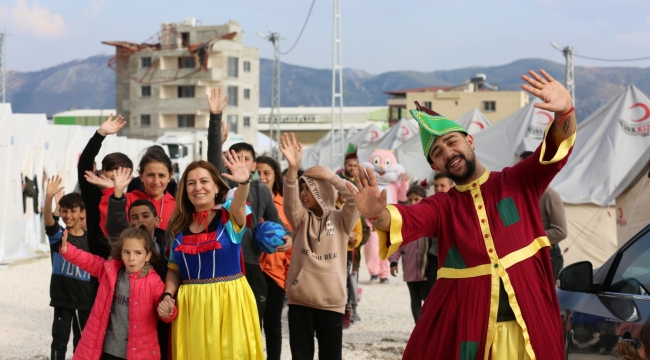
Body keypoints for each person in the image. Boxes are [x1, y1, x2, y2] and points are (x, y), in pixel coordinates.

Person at [346, 69, 577, 359]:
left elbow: (554, 151)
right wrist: (377, 215)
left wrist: (565, 111)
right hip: (477, 337)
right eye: (438, 152)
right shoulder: (443, 207)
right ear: (435, 167)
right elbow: (407, 219)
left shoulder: (518, 182)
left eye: (452, 142)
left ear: (470, 141)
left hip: (531, 330)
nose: (448, 152)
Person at [158, 156, 264, 359]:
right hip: (191, 307)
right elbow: (174, 270)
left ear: (216, 187)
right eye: (191, 183)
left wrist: (243, 183)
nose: (198, 187)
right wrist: (168, 296)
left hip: (229, 302)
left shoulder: (229, 216)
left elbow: (239, 204)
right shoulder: (177, 229)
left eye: (204, 181)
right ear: (185, 191)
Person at [206, 87, 292, 325]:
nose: (240, 163)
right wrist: (215, 119)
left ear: (254, 165)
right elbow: (212, 157)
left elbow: (276, 220)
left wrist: (289, 236)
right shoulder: (222, 185)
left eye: (245, 159)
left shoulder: (261, 190)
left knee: (253, 324)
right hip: (224, 260)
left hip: (253, 264)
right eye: (236, 158)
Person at [280, 133, 360, 360]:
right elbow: (289, 201)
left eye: (309, 189)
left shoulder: (342, 220)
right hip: (300, 301)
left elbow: (355, 200)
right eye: (302, 189)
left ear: (322, 192)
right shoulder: (300, 219)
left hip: (331, 304)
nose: (303, 194)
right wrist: (293, 170)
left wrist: (333, 178)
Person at [59, 227, 165, 360]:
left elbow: (165, 311)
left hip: (139, 353)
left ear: (148, 255)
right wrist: (68, 250)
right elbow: (89, 260)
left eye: (138, 253)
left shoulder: (154, 282)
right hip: (109, 349)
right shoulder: (110, 271)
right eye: (127, 252)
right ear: (121, 253)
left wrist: (168, 310)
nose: (131, 258)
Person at [105, 168, 170, 360]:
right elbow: (115, 225)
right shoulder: (124, 247)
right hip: (131, 324)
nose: (139, 221)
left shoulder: (168, 244)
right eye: (134, 217)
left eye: (145, 216)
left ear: (157, 220)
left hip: (161, 314)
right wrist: (118, 195)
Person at [43, 176, 92, 360]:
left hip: (84, 301)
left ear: (82, 213)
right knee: (59, 341)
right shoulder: (58, 236)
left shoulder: (92, 240)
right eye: (64, 211)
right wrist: (48, 198)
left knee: (82, 343)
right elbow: (48, 219)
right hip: (62, 299)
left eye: (73, 210)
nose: (68, 215)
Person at [78, 114, 132, 260]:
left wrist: (114, 192)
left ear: (130, 177)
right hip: (99, 264)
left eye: (122, 172)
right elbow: (84, 165)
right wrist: (100, 134)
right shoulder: (93, 194)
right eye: (112, 172)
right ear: (101, 173)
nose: (117, 177)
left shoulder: (134, 198)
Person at [256, 155, 293, 360]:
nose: (262, 177)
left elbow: (291, 239)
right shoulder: (247, 201)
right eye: (258, 173)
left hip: (276, 273)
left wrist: (288, 272)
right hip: (252, 272)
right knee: (252, 323)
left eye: (266, 173)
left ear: (275, 176)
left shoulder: (284, 205)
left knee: (272, 323)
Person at [521, 151, 568, 280]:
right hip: (528, 255)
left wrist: (530, 239)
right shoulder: (521, 195)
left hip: (548, 255)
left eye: (521, 167)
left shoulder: (549, 195)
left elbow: (560, 232)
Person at [389, 185, 430, 324]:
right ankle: (419, 330)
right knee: (415, 299)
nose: (412, 203)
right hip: (410, 267)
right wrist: (393, 262)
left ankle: (430, 327)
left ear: (424, 200)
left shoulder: (429, 219)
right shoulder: (403, 222)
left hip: (426, 268)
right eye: (410, 200)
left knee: (429, 298)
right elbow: (396, 244)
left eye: (416, 199)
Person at [426, 173, 454, 292]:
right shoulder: (430, 206)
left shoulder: (458, 206)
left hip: (454, 258)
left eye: (443, 185)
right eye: (436, 186)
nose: (438, 189)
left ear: (452, 187)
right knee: (430, 293)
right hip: (434, 257)